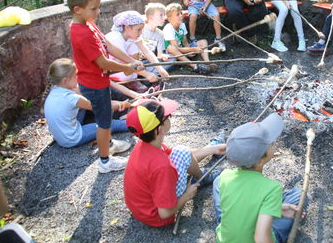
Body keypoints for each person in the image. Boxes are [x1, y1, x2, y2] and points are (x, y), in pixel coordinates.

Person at [68, 0, 144, 173]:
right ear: (77, 9)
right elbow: (102, 62)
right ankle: (105, 161)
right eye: (94, 9)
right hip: (93, 85)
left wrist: (130, 62)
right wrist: (126, 68)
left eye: (98, 7)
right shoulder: (81, 33)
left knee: (106, 117)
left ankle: (108, 143)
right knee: (103, 122)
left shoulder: (89, 24)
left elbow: (109, 46)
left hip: (99, 81)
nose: (98, 12)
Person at [123, 99, 225, 227]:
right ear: (159, 129)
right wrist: (187, 195)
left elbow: (182, 156)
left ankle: (213, 149)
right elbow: (164, 213)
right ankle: (202, 177)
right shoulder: (163, 167)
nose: (169, 118)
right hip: (156, 216)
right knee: (181, 151)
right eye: (167, 117)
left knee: (181, 152)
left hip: (140, 209)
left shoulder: (144, 145)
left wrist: (211, 149)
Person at [212, 113, 307, 243]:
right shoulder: (272, 189)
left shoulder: (225, 176)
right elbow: (261, 238)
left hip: (224, 239)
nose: (274, 143)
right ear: (260, 161)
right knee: (298, 194)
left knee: (218, 181)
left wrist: (277, 208)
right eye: (270, 143)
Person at [44, 58, 130, 149]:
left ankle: (93, 119)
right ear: (66, 80)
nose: (78, 78)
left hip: (61, 134)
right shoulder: (71, 98)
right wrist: (121, 105)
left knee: (87, 94)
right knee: (109, 124)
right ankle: (132, 124)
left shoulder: (55, 89)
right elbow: (101, 106)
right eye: (76, 75)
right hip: (72, 138)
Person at [105, 10, 168, 96]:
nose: (140, 33)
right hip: (114, 72)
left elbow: (147, 51)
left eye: (141, 30)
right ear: (127, 27)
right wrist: (147, 74)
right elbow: (126, 62)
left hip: (128, 69)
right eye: (138, 30)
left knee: (134, 46)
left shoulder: (132, 36)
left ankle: (132, 80)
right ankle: (128, 82)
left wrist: (159, 68)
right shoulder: (116, 38)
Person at [163, 3, 216, 74]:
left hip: (182, 50)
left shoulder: (182, 25)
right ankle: (194, 66)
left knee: (203, 41)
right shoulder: (168, 28)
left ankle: (207, 62)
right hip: (173, 54)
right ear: (169, 19)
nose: (181, 16)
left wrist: (189, 52)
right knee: (171, 48)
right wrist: (193, 49)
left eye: (181, 13)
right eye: (177, 14)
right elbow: (177, 49)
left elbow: (185, 42)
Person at [141, 2, 174, 72]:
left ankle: (151, 74)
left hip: (151, 61)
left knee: (172, 59)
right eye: (161, 15)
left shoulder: (160, 34)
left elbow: (159, 55)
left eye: (164, 15)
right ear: (151, 17)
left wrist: (163, 56)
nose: (164, 18)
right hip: (139, 61)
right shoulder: (141, 29)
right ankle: (151, 74)